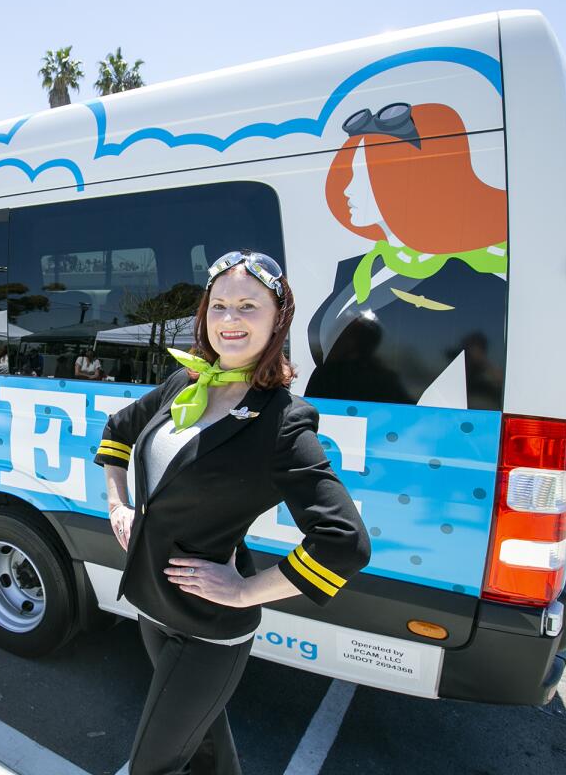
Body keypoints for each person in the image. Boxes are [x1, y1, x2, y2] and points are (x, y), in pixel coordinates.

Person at [96, 250, 370, 775]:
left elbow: (344, 541)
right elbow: (117, 430)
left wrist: (245, 590)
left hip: (207, 629)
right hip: (153, 610)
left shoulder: (283, 423)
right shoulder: (186, 383)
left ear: (278, 320)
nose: (229, 320)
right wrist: (119, 505)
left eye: (248, 306)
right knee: (205, 753)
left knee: (151, 765)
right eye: (218, 305)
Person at [307, 101, 508, 410]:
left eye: (360, 175)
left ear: (401, 178)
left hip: (386, 441)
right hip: (325, 432)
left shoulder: (476, 285)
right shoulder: (354, 270)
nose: (346, 188)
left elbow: (485, 403)